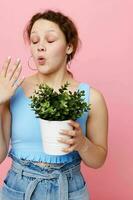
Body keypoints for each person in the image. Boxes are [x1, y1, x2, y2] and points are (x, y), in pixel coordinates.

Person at [0, 9, 108, 200]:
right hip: (18, 190)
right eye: (34, 41)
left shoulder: (92, 98)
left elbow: (98, 159)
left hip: (70, 189)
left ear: (69, 47)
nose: (40, 47)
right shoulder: (12, 92)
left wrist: (82, 144)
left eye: (50, 40)